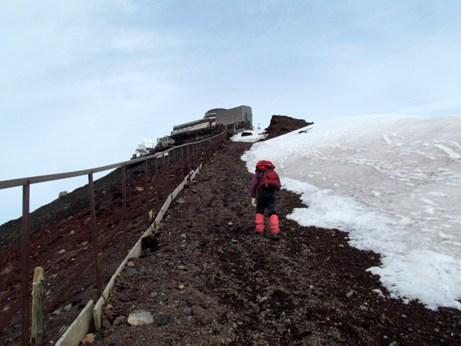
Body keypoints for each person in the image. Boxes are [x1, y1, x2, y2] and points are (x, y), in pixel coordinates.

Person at [250, 160, 281, 240]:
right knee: (272, 212)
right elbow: (279, 185)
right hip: (271, 194)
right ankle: (275, 232)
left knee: (259, 211)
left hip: (261, 194)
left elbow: (254, 184)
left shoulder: (258, 173)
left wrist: (253, 196)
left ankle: (259, 231)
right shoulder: (273, 173)